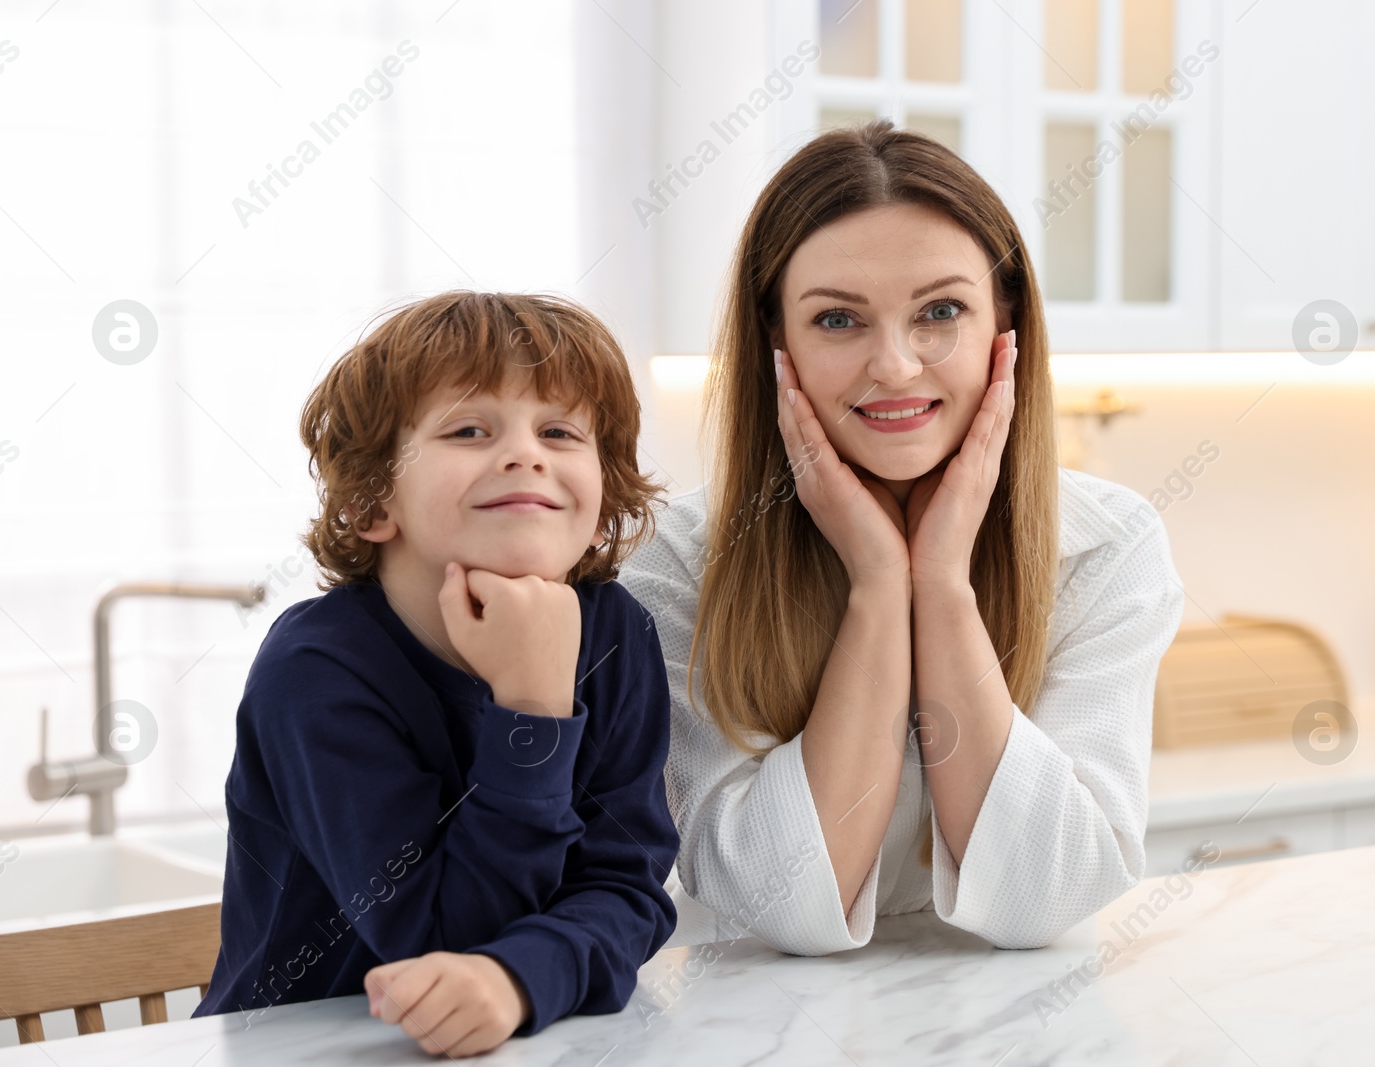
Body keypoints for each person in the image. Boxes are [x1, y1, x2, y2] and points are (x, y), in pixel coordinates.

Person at [620, 121, 1185, 956]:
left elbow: (1049, 894)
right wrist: (880, 586)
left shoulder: (1107, 544)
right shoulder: (679, 562)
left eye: (941, 311)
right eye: (839, 320)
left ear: (1007, 326)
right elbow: (776, 904)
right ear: (778, 343)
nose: (894, 365)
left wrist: (943, 584)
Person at [194, 291, 679, 1058]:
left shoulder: (616, 630)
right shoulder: (316, 670)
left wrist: (518, 979)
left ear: (602, 493)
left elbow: (628, 891)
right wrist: (533, 708)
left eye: (559, 430)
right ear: (369, 499)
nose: (528, 453)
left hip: (529, 1038)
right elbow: (437, 939)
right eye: (468, 430)